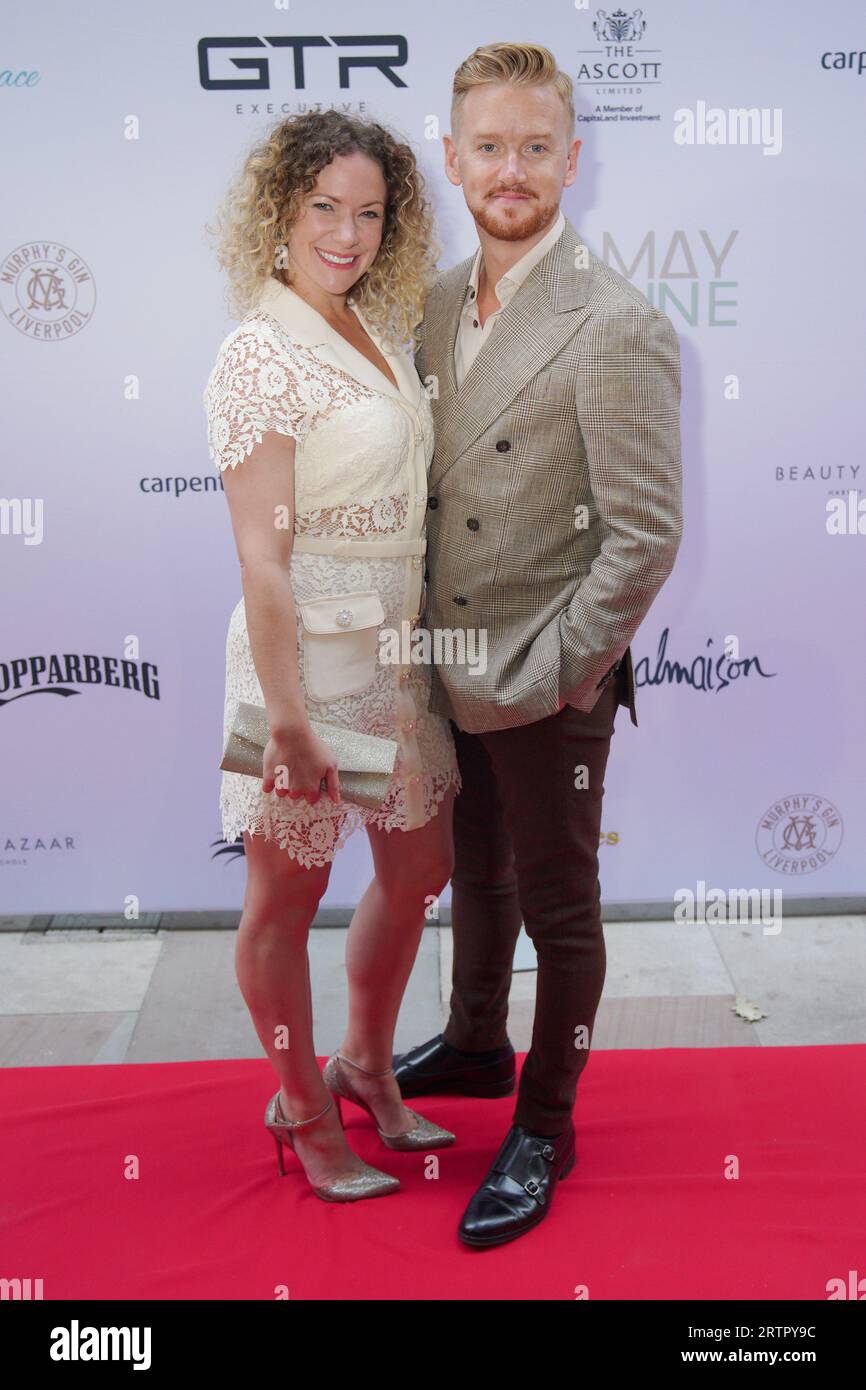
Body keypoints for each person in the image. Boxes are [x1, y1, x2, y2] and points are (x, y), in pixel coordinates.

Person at [395, 42, 683, 1246]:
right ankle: (473, 1042)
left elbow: (644, 535)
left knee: (560, 910)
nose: (508, 169)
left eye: (533, 146)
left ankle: (546, 1124)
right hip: (438, 667)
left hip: (542, 673)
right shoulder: (421, 305)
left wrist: (560, 668)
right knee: (474, 872)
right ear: (451, 157)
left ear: (572, 158)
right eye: (487, 146)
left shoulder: (612, 322)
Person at [203, 110, 461, 1203]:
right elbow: (263, 564)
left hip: (392, 638)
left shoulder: (369, 327)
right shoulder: (258, 353)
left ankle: (361, 1063)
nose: (346, 233)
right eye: (323, 208)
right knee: (284, 899)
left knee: (416, 868)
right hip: (310, 644)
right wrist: (292, 715)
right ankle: (301, 1109)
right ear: (279, 214)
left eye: (367, 212)